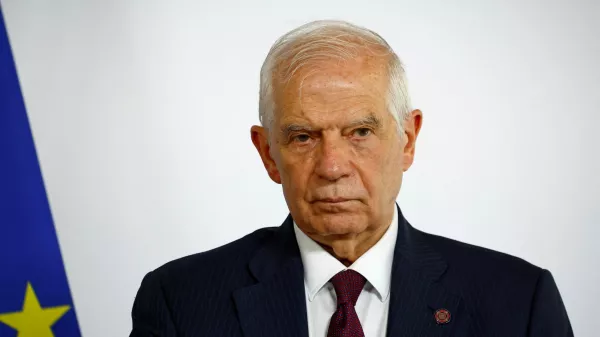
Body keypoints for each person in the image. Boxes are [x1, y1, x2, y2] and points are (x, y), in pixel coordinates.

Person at [129, 20, 573, 337]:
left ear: (407, 139)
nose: (332, 166)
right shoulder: (179, 300)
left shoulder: (517, 300)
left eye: (360, 132)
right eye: (303, 137)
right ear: (268, 154)